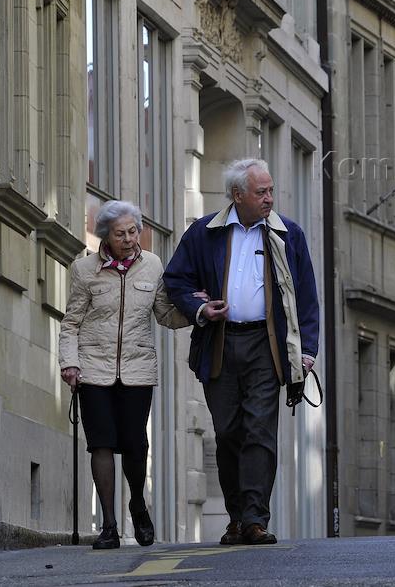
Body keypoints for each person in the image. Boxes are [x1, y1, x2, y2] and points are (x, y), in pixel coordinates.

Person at [163, 158, 320, 546]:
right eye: (261, 192)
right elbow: (175, 280)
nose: (269, 199)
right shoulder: (204, 233)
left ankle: (254, 519)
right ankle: (236, 516)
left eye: (271, 191)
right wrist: (199, 308)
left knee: (259, 432)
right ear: (237, 196)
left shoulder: (289, 235)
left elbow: (307, 299)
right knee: (228, 431)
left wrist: (307, 351)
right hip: (219, 343)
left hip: (268, 346)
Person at [59, 200, 191, 550]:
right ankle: (109, 525)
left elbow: (164, 313)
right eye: (121, 234)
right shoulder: (84, 270)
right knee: (100, 443)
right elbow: (71, 322)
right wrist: (69, 363)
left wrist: (199, 311)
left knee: (135, 444)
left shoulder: (153, 266)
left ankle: (137, 502)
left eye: (134, 231)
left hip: (137, 370)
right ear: (106, 235)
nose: (131, 239)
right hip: (93, 370)